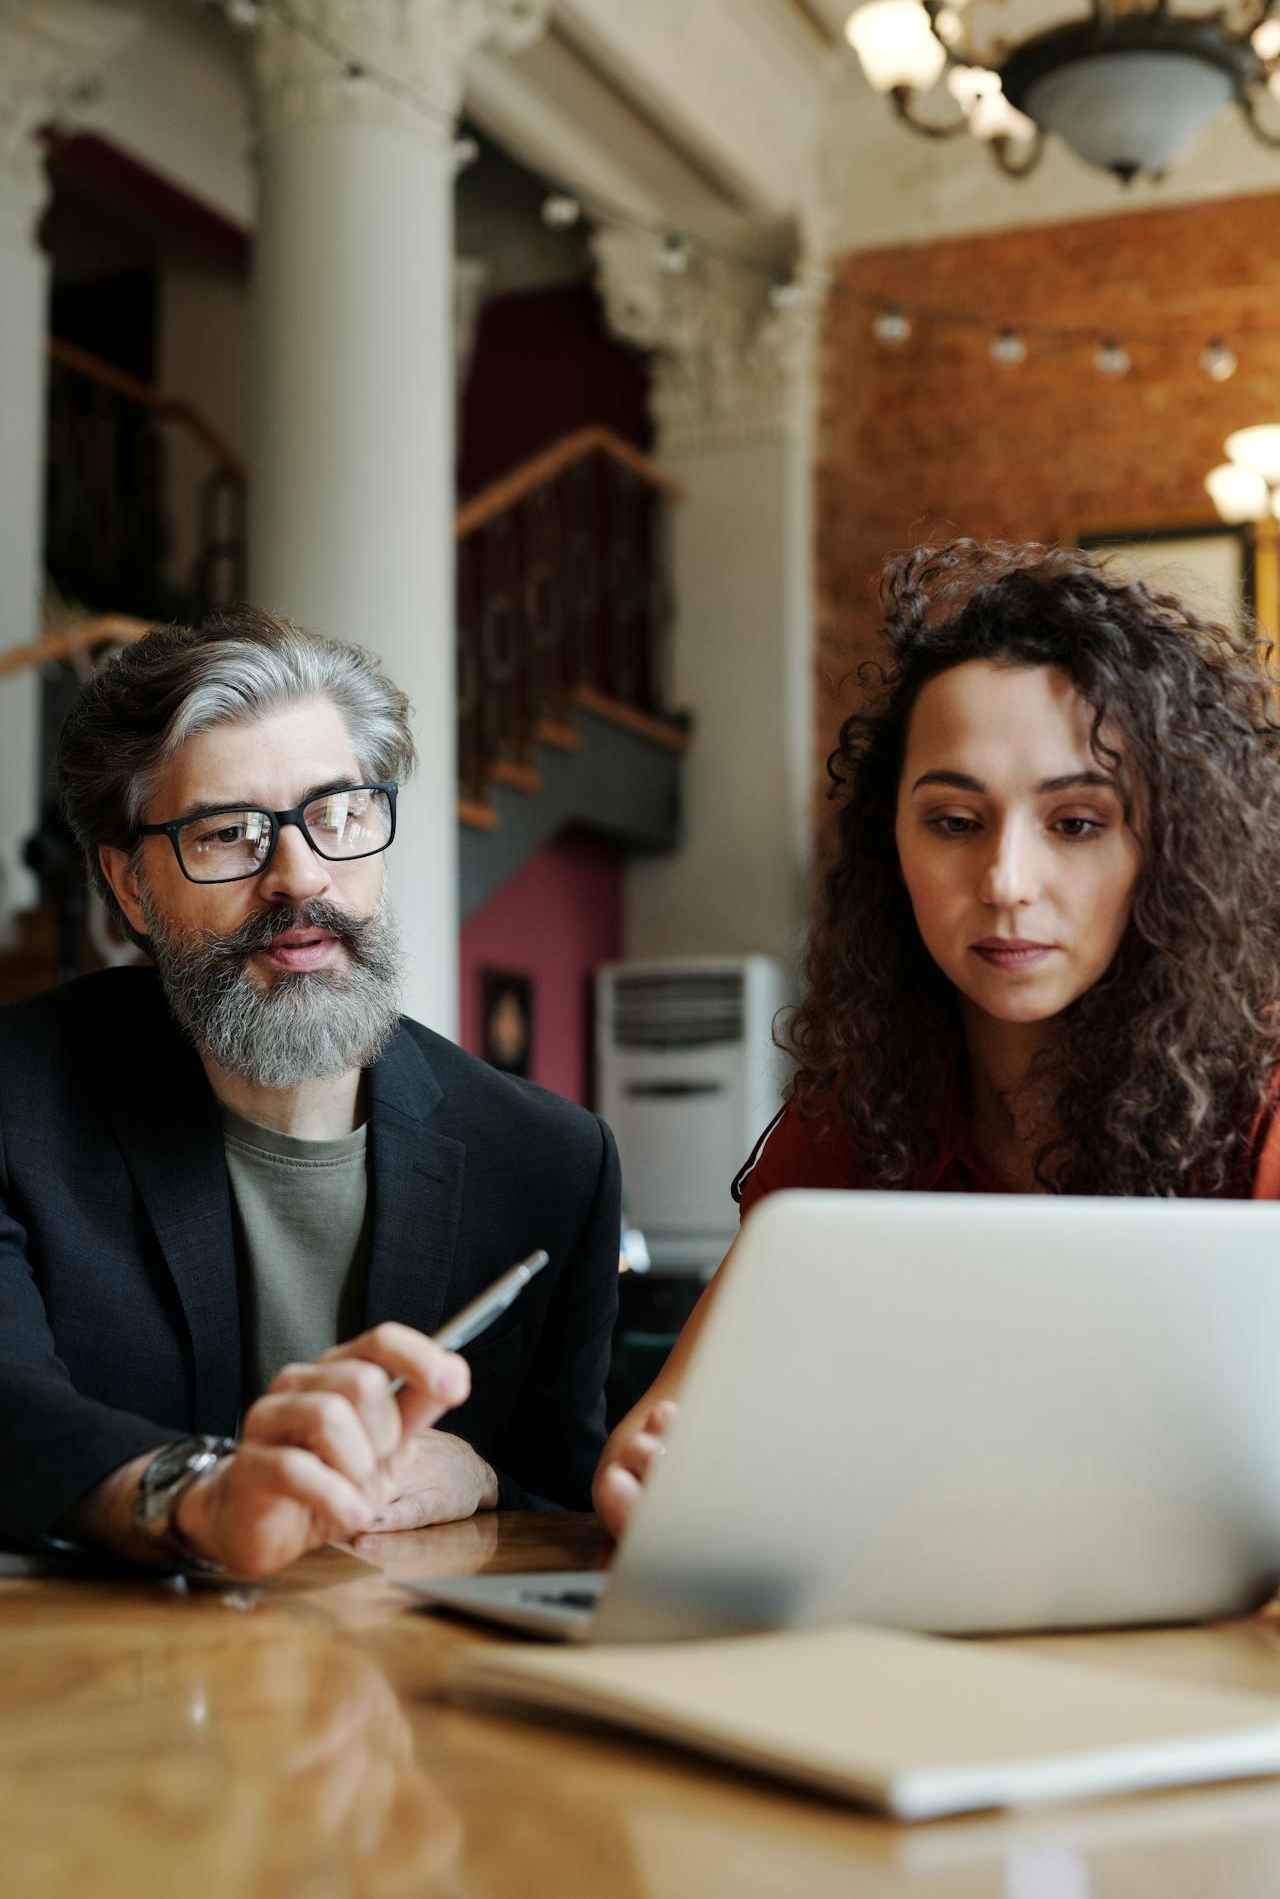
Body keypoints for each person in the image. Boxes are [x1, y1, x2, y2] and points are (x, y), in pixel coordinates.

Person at [594, 537, 1280, 1537]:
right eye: (954, 821)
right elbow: (661, 1438)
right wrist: (653, 1480)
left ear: (1168, 851)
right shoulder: (855, 1109)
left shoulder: (1259, 1104)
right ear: (893, 849)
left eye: (1076, 823)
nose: (1003, 881)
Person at [0, 608, 620, 1577]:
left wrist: (484, 1474)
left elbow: (570, 1494)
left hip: (406, 1691)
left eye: (337, 814)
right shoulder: (16, 1104)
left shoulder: (549, 1161)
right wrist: (197, 1498)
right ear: (129, 889)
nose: (298, 876)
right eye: (228, 833)